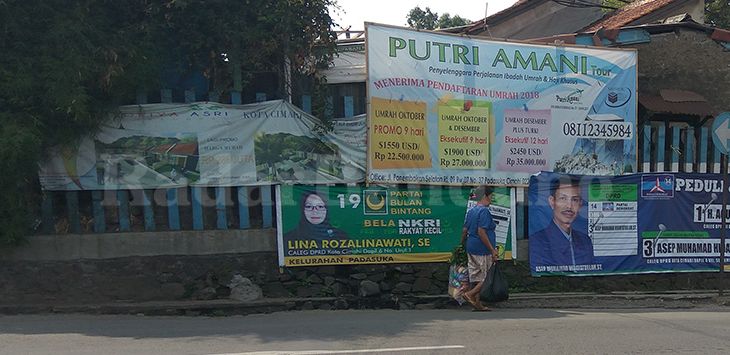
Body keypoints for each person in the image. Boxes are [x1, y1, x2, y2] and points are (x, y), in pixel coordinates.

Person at [530, 175, 594, 267]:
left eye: (575, 200)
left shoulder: (585, 240)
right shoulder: (538, 240)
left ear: (580, 204)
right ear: (552, 202)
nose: (569, 206)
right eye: (563, 198)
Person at [460, 185, 499, 311]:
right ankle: (469, 294)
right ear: (484, 196)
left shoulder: (472, 211)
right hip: (482, 249)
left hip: (471, 247)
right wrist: (492, 250)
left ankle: (477, 304)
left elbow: (464, 230)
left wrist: (462, 245)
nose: (492, 198)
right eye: (491, 196)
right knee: (486, 277)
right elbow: (481, 232)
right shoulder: (484, 211)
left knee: (476, 277)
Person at [283, 190, 348, 242]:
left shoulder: (340, 237)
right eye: (309, 206)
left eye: (320, 206)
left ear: (327, 209)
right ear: (302, 209)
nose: (314, 211)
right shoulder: (288, 238)